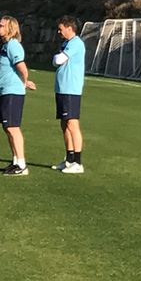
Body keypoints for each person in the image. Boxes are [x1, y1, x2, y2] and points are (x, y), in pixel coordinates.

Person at [0, 16, 36, 176]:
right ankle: (15, 161)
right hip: (6, 91)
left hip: (13, 92)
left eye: (1, 25)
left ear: (10, 28)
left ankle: (21, 164)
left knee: (12, 127)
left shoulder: (13, 45)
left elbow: (22, 68)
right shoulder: (6, 45)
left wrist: (24, 82)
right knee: (7, 127)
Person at [51, 16, 86, 174]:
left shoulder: (76, 43)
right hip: (62, 88)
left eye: (61, 28)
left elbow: (59, 59)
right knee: (64, 124)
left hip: (71, 89)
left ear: (69, 28)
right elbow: (55, 60)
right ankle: (69, 159)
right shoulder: (66, 43)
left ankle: (78, 162)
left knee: (72, 123)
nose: (59, 31)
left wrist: (57, 59)